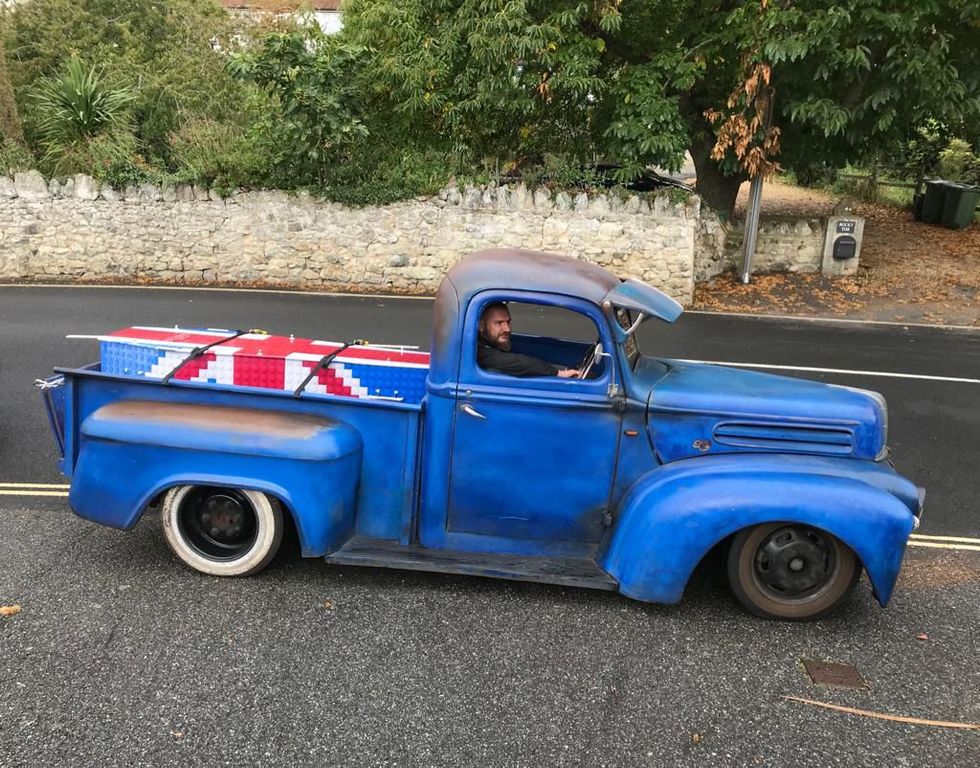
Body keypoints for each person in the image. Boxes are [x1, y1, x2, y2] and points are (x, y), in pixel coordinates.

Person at [477, 302, 581, 378]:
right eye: (499, 323)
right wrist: (558, 373)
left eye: (508, 322)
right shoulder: (478, 351)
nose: (507, 329)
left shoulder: (491, 343)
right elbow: (517, 362)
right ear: (481, 326)